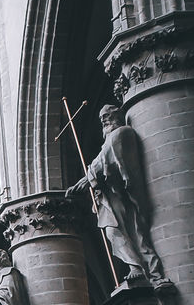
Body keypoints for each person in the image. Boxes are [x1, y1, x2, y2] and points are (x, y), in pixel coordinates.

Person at [67, 104, 169, 288]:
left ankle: (143, 268)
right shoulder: (108, 140)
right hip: (110, 197)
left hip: (123, 196)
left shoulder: (122, 133)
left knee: (132, 231)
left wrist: (89, 178)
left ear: (118, 115)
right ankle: (135, 267)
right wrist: (84, 180)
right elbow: (100, 160)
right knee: (113, 231)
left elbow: (107, 160)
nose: (104, 119)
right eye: (101, 118)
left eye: (107, 115)